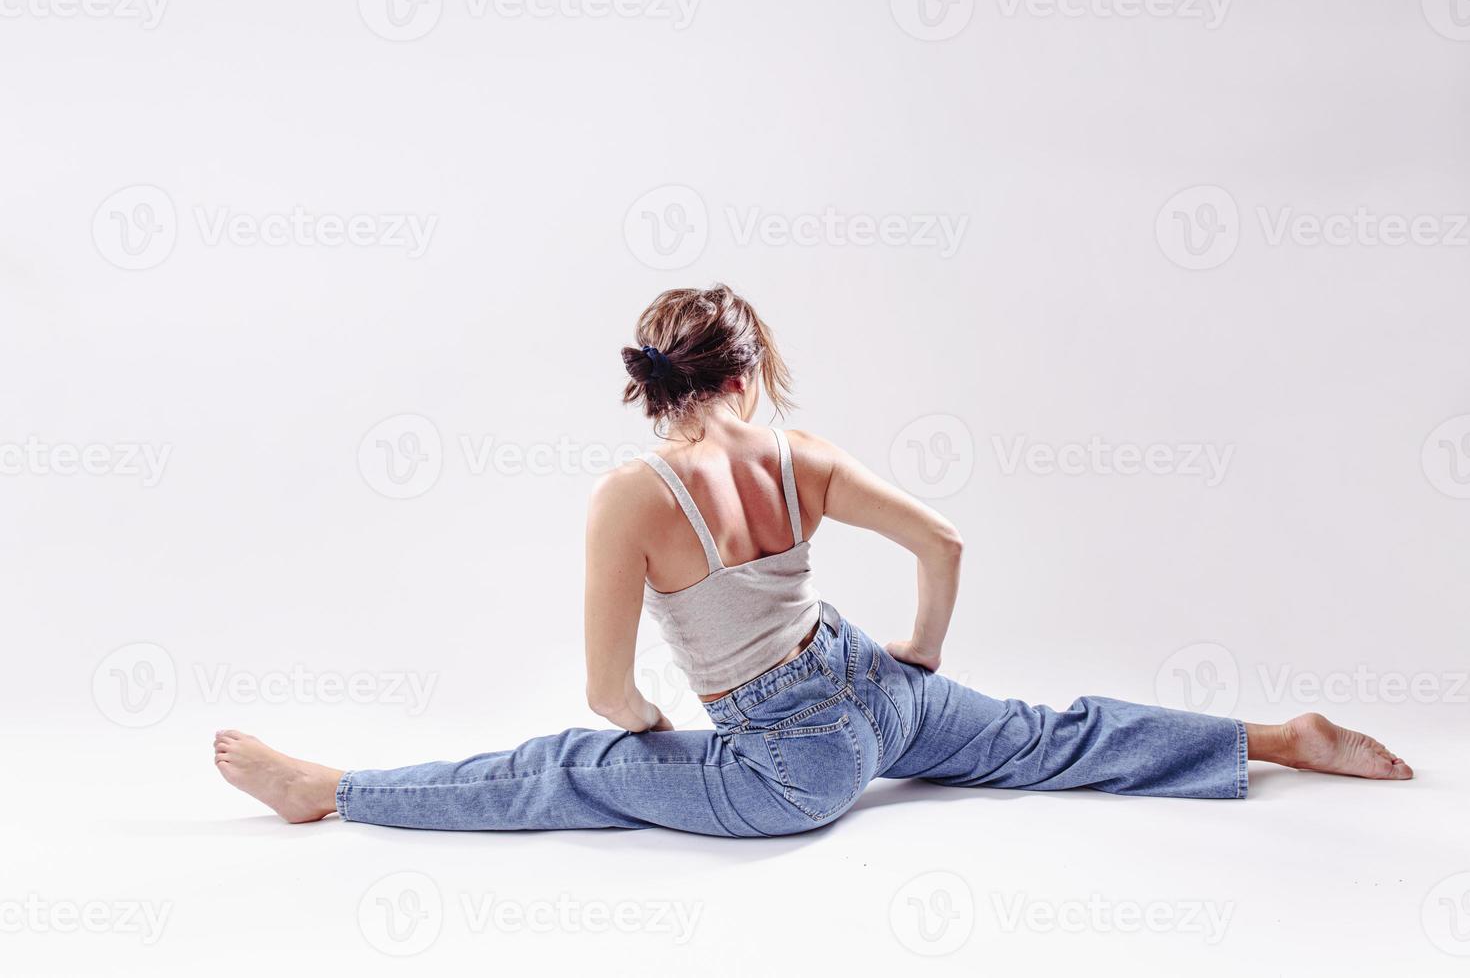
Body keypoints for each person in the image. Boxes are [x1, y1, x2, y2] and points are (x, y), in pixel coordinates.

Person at [214, 284, 1412, 836]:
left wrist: (642, 732)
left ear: (661, 384)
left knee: (562, 764)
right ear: (745, 374)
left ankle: (334, 788)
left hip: (792, 772)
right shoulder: (805, 455)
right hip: (880, 691)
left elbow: (606, 695)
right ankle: (1272, 740)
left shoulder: (630, 496)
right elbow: (945, 540)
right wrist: (923, 658)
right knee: (1056, 736)